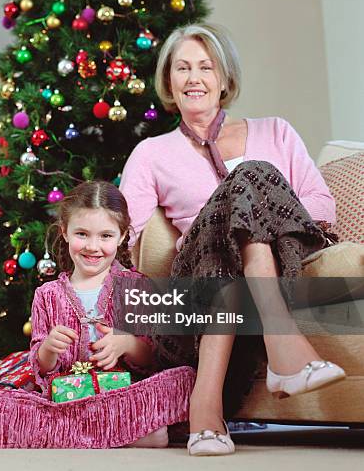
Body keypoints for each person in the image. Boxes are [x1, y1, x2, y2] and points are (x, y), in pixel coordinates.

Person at [119, 23, 346, 456]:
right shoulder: (151, 153)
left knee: (251, 177)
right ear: (169, 80)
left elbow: (321, 205)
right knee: (246, 181)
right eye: (182, 68)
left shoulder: (275, 130)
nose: (194, 78)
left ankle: (205, 406)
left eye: (206, 67)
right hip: (199, 280)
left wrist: (259, 218)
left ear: (224, 79)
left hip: (283, 261)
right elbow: (127, 236)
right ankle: (284, 347)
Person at [29, 180, 174, 448]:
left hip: (123, 395)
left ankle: (81, 433)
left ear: (121, 237)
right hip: (68, 398)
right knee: (2, 407)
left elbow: (153, 359)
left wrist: (127, 343)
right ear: (65, 232)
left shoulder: (136, 287)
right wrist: (48, 348)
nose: (93, 247)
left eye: (105, 236)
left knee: (181, 378)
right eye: (82, 234)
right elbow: (42, 367)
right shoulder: (47, 295)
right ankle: (114, 433)